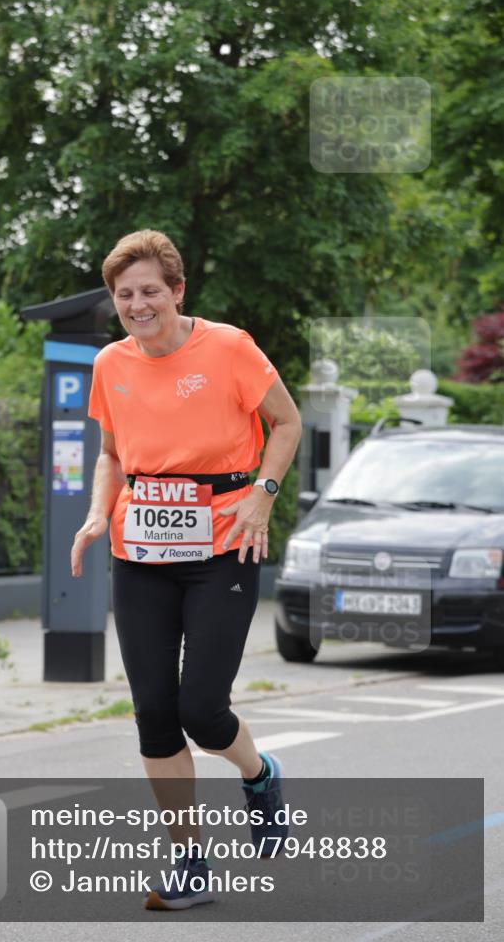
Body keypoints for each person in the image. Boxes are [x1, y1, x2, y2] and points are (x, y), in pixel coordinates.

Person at [71, 229, 303, 910]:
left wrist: (262, 496)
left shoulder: (228, 348)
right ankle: (188, 862)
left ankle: (259, 775)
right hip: (138, 550)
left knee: (202, 709)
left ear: (176, 291)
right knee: (153, 716)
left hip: (222, 543)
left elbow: (284, 424)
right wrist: (95, 514)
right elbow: (111, 454)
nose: (137, 305)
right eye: (124, 295)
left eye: (149, 291)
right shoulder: (110, 364)